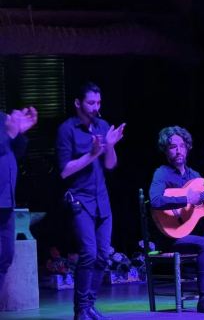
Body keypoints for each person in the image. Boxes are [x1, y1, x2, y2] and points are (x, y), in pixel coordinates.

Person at [56, 82, 125, 320]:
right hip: (80, 199)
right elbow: (64, 171)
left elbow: (110, 165)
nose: (96, 107)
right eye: (91, 102)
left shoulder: (102, 126)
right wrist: (92, 154)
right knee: (88, 252)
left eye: (99, 102)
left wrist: (110, 146)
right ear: (78, 103)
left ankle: (90, 305)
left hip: (101, 199)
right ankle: (81, 310)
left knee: (103, 255)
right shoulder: (67, 130)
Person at [148, 125, 204, 313]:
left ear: (187, 148)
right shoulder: (162, 173)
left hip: (191, 233)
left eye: (182, 146)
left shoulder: (195, 176)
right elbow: (155, 200)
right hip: (170, 237)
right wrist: (186, 199)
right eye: (173, 147)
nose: (178, 150)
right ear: (166, 150)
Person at [0, 107, 38, 294]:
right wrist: (10, 132)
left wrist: (20, 132)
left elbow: (15, 153)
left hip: (6, 202)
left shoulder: (3, 119)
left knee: (6, 256)